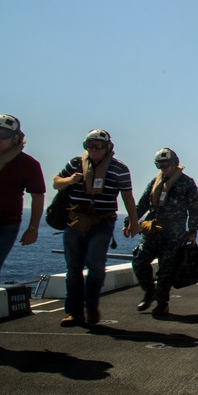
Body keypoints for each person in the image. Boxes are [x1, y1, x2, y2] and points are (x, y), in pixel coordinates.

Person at [53, 129, 138, 326]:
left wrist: (134, 222)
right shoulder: (75, 164)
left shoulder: (119, 169)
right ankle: (74, 312)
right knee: (73, 269)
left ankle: (91, 307)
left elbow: (127, 196)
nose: (94, 149)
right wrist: (69, 180)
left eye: (99, 145)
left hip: (102, 223)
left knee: (96, 265)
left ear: (107, 147)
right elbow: (56, 183)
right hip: (75, 222)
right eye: (90, 145)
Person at [129, 148, 198, 317]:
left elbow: (194, 209)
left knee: (166, 269)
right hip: (153, 230)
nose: (163, 168)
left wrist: (192, 231)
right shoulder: (155, 182)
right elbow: (142, 204)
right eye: (159, 165)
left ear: (174, 163)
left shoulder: (187, 183)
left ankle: (162, 304)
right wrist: (130, 222)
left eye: (165, 165)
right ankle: (149, 291)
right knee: (139, 261)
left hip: (174, 234)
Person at [0, 114, 45, 315]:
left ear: (15, 137)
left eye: (3, 134)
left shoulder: (28, 164)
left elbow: (37, 196)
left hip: (4, 226)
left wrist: (33, 228)